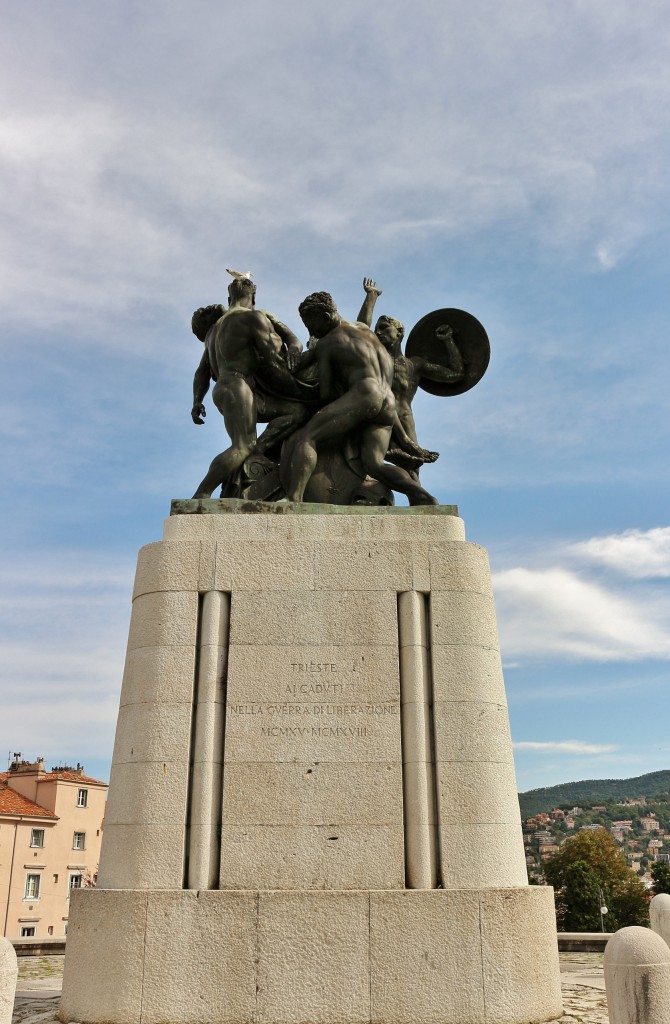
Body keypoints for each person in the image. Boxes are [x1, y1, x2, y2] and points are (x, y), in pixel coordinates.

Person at [285, 292, 439, 505]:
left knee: (307, 437)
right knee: (374, 464)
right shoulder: (365, 330)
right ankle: (423, 497)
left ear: (328, 317)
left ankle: (293, 499)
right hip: (388, 402)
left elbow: (327, 394)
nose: (310, 331)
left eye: (312, 325)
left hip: (364, 395)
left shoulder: (327, 343)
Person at [191, 276, 311, 498]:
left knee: (296, 412)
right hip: (238, 385)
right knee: (241, 446)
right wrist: (301, 386)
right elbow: (274, 357)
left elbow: (201, 371)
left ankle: (258, 451)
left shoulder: (214, 329)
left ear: (230, 298)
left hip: (228, 388)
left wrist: (197, 401)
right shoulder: (253, 319)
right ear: (253, 295)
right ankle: (202, 494)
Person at [357, 280, 465, 454]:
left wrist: (448, 341)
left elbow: (456, 374)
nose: (378, 333)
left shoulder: (414, 364)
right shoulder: (374, 358)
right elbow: (360, 331)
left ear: (399, 332)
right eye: (377, 329)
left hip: (403, 418)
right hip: (375, 417)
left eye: (384, 328)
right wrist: (372, 295)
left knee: (413, 471)